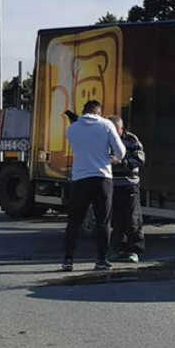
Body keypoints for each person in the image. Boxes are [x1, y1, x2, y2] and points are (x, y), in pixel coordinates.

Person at [62, 100, 126, 272]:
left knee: (74, 220)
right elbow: (121, 152)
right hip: (102, 178)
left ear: (84, 111)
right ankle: (101, 259)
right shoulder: (106, 125)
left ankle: (68, 259)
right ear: (99, 111)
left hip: (80, 178)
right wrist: (114, 159)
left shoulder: (72, 129)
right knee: (103, 221)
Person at [107, 115, 145, 263]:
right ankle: (117, 249)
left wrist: (120, 162)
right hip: (112, 185)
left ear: (121, 129)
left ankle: (134, 250)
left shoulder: (131, 140)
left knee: (132, 219)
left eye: (114, 129)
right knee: (116, 221)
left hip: (129, 184)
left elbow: (140, 159)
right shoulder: (105, 139)